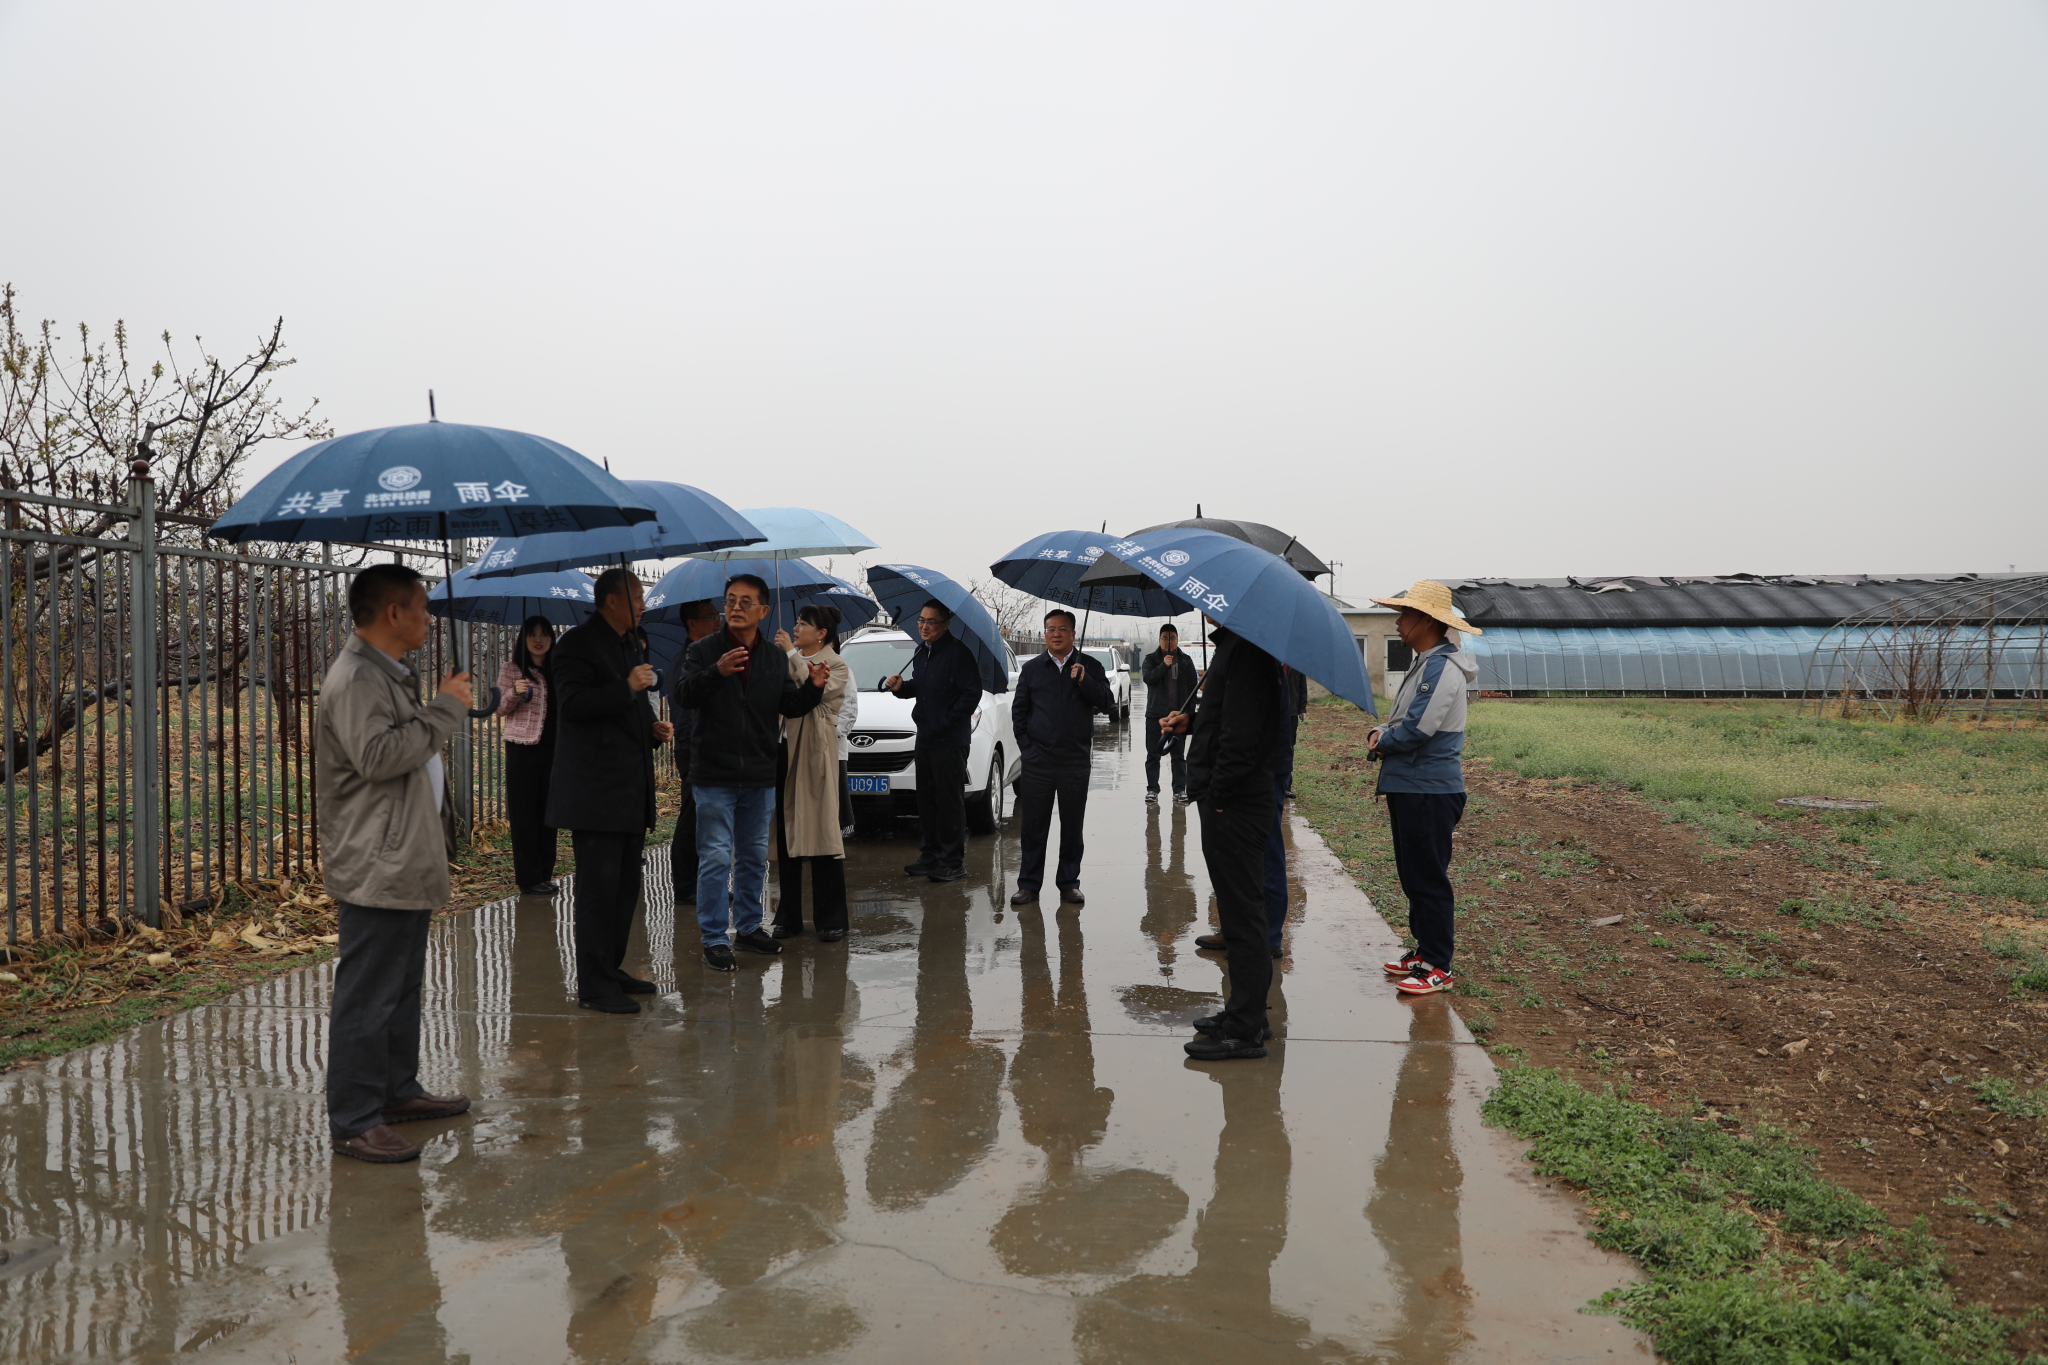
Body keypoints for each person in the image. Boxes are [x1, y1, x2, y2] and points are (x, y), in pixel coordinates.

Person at [317, 562, 474, 1162]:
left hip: (402, 854)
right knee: (368, 994)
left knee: (400, 986)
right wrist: (444, 710)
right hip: (376, 860)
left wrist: (436, 706)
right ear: (393, 612)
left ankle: (394, 1090)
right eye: (422, 607)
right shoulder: (358, 678)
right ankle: (354, 1119)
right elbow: (379, 757)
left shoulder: (386, 673)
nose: (429, 618)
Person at [678, 574, 829, 972]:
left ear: (763, 610)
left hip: (759, 774)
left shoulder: (774, 658)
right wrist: (718, 671)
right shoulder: (703, 650)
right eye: (730, 600)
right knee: (715, 857)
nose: (736, 607)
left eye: (746, 601)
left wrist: (813, 688)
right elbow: (683, 694)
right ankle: (714, 938)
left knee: (753, 857)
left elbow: (788, 705)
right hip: (714, 774)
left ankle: (747, 928)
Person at [545, 568, 675, 1015]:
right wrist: (626, 686)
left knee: (624, 889)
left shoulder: (630, 644)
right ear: (613, 600)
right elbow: (574, 706)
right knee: (598, 891)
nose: (643, 604)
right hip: (595, 790)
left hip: (629, 786)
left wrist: (652, 728)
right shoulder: (575, 645)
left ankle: (611, 968)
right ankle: (594, 985)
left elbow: (631, 707)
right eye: (637, 597)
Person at [1160, 617, 1283, 1061]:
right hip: (1230, 799)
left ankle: (1245, 1029)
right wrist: (1190, 722)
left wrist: (1219, 796)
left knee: (1243, 915)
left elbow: (1242, 736)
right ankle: (1247, 1011)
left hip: (1235, 803)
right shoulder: (1238, 646)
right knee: (1236, 912)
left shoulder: (1248, 651)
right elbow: (1228, 717)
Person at [1366, 580, 1481, 998]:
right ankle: (1423, 952)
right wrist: (1381, 731)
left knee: (1428, 877)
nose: (1398, 623)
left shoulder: (1442, 668)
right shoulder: (1424, 663)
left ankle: (1438, 965)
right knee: (1413, 874)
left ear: (1427, 621)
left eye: (1405, 615)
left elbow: (1417, 729)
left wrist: (1383, 741)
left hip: (1428, 789)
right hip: (1410, 785)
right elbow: (1402, 718)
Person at [1008, 609, 1114, 907]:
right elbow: (1019, 711)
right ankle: (1029, 885)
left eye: (1062, 629)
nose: (1056, 634)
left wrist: (1084, 680)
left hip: (1074, 760)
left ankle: (1069, 884)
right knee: (1033, 827)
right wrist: (1027, 748)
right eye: (1051, 629)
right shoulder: (1032, 669)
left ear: (1073, 633)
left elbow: (1107, 702)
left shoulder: (1090, 666)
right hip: (1037, 761)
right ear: (1045, 634)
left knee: (1072, 826)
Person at [884, 599, 983, 883]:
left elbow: (971, 694)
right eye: (921, 621)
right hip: (926, 737)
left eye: (931, 622)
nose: (924, 627)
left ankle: (953, 861)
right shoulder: (921, 651)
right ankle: (930, 856)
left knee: (949, 801)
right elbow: (922, 687)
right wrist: (901, 688)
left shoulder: (958, 653)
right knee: (926, 800)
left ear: (946, 624)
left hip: (950, 740)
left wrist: (946, 721)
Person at [771, 604, 853, 940]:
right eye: (796, 622)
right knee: (786, 835)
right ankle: (788, 916)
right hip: (785, 750)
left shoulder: (836, 665)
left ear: (821, 633)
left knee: (822, 832)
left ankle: (832, 919)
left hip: (815, 753)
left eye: (803, 624)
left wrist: (791, 654)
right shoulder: (785, 660)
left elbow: (814, 692)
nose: (796, 628)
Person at [495, 615, 561, 896]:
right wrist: (514, 691)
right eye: (532, 634)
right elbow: (499, 708)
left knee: (549, 812)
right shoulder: (512, 669)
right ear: (523, 639)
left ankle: (545, 873)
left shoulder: (558, 669)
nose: (538, 639)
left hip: (554, 749)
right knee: (524, 814)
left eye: (544, 633)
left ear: (551, 638)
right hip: (522, 749)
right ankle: (529, 878)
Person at [665, 598, 724, 906]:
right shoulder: (687, 659)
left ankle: (702, 884)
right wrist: (692, 748)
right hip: (693, 749)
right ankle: (685, 886)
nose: (718, 621)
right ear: (692, 624)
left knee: (706, 818)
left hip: (708, 748)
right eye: (711, 616)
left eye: (718, 615)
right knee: (692, 817)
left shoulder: (706, 656)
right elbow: (684, 710)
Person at [1141, 624, 1198, 803]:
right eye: (1165, 638)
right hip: (1155, 716)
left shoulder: (1186, 661)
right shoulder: (1151, 659)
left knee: (1178, 756)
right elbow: (1148, 679)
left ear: (1177, 640)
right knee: (1153, 755)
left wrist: (1188, 714)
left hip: (1177, 717)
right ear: (1159, 640)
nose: (1169, 641)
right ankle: (1152, 790)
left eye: (1172, 638)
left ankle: (1179, 790)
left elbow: (1192, 689)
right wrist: (1163, 666)